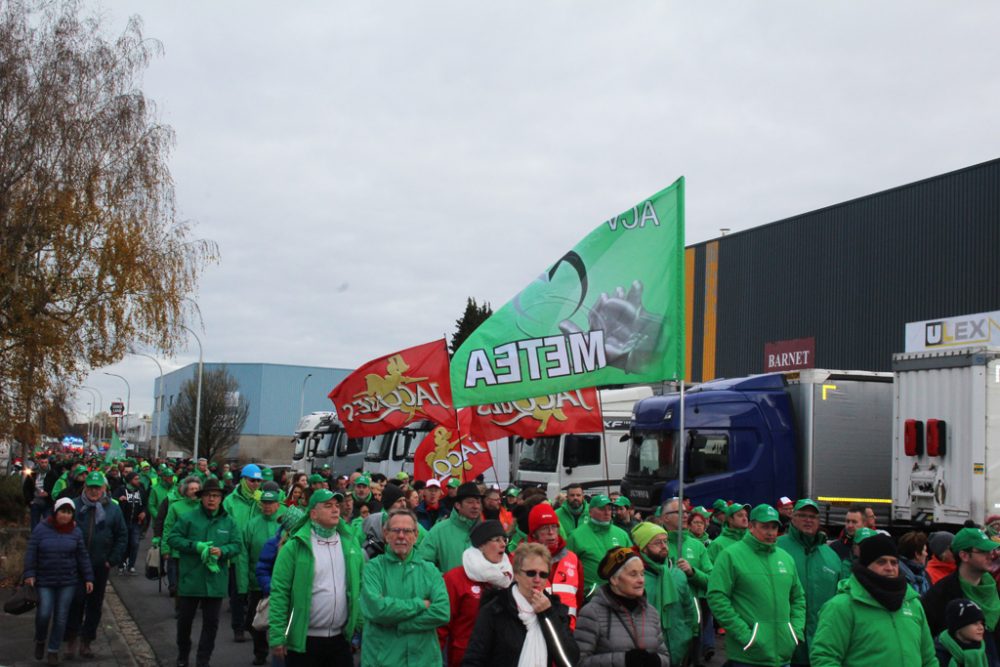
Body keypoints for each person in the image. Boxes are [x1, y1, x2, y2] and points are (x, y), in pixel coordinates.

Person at [267, 489, 363, 667]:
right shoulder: (295, 546)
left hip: (340, 639)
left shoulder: (350, 543)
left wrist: (358, 623)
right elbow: (280, 592)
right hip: (304, 641)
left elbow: (360, 585)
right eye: (327, 506)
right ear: (313, 513)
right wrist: (278, 636)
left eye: (336, 505)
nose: (335, 510)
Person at [811, 534, 936, 666]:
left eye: (894, 562)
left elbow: (928, 658)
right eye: (881, 562)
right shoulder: (842, 606)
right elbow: (824, 657)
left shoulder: (912, 603)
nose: (889, 567)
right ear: (866, 565)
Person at [708, 503, 805, 667]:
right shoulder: (730, 555)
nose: (771, 532)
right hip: (746, 657)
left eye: (774, 527)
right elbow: (717, 597)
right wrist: (745, 635)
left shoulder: (786, 558)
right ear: (751, 527)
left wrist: (795, 632)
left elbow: (798, 598)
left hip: (783, 657)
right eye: (765, 526)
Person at [462, 541, 578, 667]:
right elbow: (474, 659)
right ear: (516, 574)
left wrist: (547, 615)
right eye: (531, 573)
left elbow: (569, 661)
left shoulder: (554, 610)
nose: (537, 580)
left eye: (543, 574)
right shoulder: (495, 609)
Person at [360, 509, 450, 666]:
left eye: (407, 531)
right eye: (395, 530)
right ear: (386, 534)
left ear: (415, 535)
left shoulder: (430, 570)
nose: (401, 536)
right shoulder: (373, 568)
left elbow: (442, 612)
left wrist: (402, 624)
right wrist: (420, 604)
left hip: (424, 660)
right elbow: (376, 608)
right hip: (382, 660)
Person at [169, 477, 241, 667]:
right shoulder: (188, 518)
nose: (212, 499)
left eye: (216, 496)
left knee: (211, 624)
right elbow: (173, 538)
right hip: (190, 579)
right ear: (201, 497)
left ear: (221, 498)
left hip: (215, 581)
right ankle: (183, 655)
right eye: (208, 495)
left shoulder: (229, 522)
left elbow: (237, 545)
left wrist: (223, 551)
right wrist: (195, 546)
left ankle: (203, 659)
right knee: (184, 622)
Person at [24, 497, 94, 665]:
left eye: (69, 513)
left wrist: (88, 577)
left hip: (67, 580)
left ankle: (53, 650)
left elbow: (82, 556)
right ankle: (40, 639)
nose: (65, 516)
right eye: (63, 511)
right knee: (44, 613)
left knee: (61, 617)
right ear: (56, 512)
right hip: (45, 580)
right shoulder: (41, 529)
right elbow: (31, 552)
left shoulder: (75, 532)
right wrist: (29, 573)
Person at [65, 471, 126, 660]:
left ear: (104, 489)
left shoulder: (113, 509)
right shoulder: (73, 506)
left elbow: (122, 536)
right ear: (85, 487)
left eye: (97, 488)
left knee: (94, 605)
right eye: (91, 487)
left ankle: (87, 641)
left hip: (100, 565)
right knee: (75, 603)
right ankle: (71, 640)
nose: (94, 491)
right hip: (75, 566)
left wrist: (112, 559)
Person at [575, 546, 670, 666]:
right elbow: (579, 662)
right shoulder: (592, 613)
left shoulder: (651, 613)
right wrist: (624, 660)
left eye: (642, 574)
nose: (641, 580)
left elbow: (665, 657)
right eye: (633, 574)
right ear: (614, 579)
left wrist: (656, 660)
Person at [776, 498, 843, 667]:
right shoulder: (777, 548)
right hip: (784, 640)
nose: (808, 520)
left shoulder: (831, 556)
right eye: (802, 515)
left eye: (813, 517)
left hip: (820, 640)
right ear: (793, 518)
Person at [438, 520, 513, 666]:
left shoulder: (509, 577)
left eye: (504, 539)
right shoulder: (455, 579)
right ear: (481, 545)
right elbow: (441, 625)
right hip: (465, 658)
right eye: (496, 540)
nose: (503, 544)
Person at [922, 527, 1000, 665]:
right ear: (964, 555)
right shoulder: (940, 594)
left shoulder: (993, 590)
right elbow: (927, 640)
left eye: (991, 550)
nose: (991, 555)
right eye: (983, 551)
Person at [633, 521, 698, 663]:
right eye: (657, 543)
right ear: (643, 548)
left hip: (679, 647)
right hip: (646, 652)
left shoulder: (678, 574)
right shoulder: (634, 578)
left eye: (665, 541)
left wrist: (689, 634)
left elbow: (689, 609)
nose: (664, 546)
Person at [239, 485, 283, 665]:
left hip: (281, 584)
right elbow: (243, 554)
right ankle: (260, 651)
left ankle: (280, 653)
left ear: (278, 505)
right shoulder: (252, 525)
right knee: (255, 622)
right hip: (257, 582)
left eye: (271, 503)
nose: (267, 506)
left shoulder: (283, 524)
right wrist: (243, 583)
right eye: (264, 503)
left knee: (280, 622)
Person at [224, 463, 263, 643]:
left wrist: (261, 502)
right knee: (238, 594)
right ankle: (237, 628)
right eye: (252, 480)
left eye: (258, 480)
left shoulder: (261, 500)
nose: (256, 484)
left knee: (256, 593)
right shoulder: (230, 501)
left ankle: (251, 624)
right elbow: (224, 525)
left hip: (257, 554)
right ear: (243, 480)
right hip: (237, 554)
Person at [527, 502, 584, 627]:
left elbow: (578, 598)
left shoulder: (572, 559)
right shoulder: (521, 560)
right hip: (534, 630)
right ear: (534, 533)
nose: (551, 532)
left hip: (568, 631)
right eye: (544, 528)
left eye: (554, 527)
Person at [565, 494, 632, 598]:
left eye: (609, 508)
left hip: (620, 596)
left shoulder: (622, 534)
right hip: (590, 598)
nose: (607, 512)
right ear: (590, 512)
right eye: (602, 509)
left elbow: (632, 563)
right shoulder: (575, 536)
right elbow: (567, 569)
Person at [419, 481, 483, 573]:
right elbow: (423, 563)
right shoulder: (439, 530)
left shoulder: (486, 531)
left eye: (478, 502)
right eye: (470, 502)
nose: (475, 506)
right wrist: (445, 580)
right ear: (458, 505)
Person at [160, 476, 202, 598]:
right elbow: (168, 528)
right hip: (178, 552)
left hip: (198, 551)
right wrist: (165, 548)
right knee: (180, 585)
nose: (194, 491)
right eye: (191, 489)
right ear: (185, 491)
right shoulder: (175, 507)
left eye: (196, 488)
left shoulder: (203, 507)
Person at [935, 599, 988, 667]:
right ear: (958, 627)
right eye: (975, 623)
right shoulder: (939, 654)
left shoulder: (981, 649)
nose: (981, 627)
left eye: (981, 623)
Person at [116, 471, 148, 575]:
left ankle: (131, 566)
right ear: (130, 480)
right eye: (136, 479)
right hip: (124, 521)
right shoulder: (122, 489)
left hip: (136, 523)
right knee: (124, 544)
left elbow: (145, 504)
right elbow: (112, 499)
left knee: (135, 543)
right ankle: (121, 564)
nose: (138, 481)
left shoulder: (141, 491)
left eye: (138, 478)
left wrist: (143, 512)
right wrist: (119, 499)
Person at [24, 454, 58, 529]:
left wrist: (48, 494)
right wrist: (29, 500)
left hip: (48, 503)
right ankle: (35, 539)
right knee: (34, 524)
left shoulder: (52, 474)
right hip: (35, 502)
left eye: (46, 462)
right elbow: (26, 487)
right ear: (39, 462)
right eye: (42, 462)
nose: (44, 464)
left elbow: (56, 488)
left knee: (48, 524)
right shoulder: (33, 473)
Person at [898, 531, 933, 596]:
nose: (926, 554)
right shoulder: (900, 576)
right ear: (917, 554)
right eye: (924, 551)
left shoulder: (924, 574)